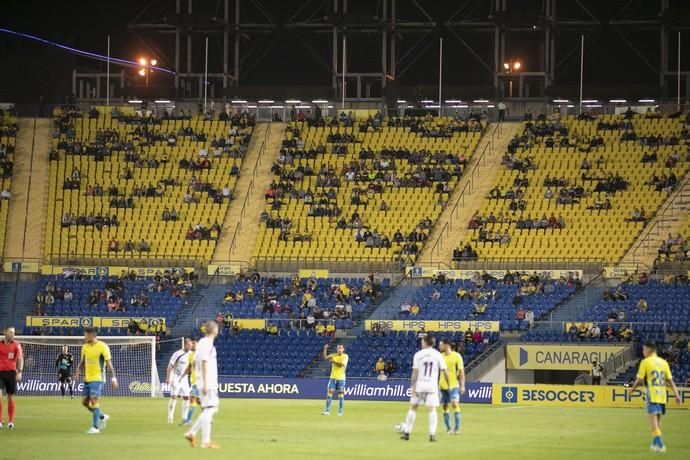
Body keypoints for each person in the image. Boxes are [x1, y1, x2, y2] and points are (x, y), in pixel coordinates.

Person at [629, 342, 682, 453]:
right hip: (662, 396)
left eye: (644, 349)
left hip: (652, 395)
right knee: (658, 422)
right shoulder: (664, 362)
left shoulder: (645, 362)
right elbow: (670, 381)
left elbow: (639, 380)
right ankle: (654, 445)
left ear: (649, 350)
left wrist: (631, 390)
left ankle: (661, 445)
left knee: (653, 424)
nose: (643, 352)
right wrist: (677, 395)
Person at [399, 335, 449, 442]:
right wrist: (448, 385)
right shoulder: (438, 355)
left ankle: (407, 433)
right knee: (432, 409)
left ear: (426, 342)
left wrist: (412, 386)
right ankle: (432, 435)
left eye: (422, 341)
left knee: (413, 408)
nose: (421, 343)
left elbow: (415, 372)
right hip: (432, 387)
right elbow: (445, 371)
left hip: (420, 386)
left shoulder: (418, 355)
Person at [185, 321, 221, 449]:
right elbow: (204, 362)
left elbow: (194, 362)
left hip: (203, 380)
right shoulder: (207, 344)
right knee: (210, 409)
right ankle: (205, 441)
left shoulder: (201, 343)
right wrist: (205, 382)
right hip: (208, 382)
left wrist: (198, 378)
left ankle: (192, 433)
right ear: (215, 330)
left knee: (211, 408)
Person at [78, 327, 118, 434]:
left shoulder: (102, 346)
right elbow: (83, 361)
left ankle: (95, 428)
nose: (84, 337)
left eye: (86, 335)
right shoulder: (85, 347)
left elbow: (109, 364)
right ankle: (101, 416)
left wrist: (113, 378)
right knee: (85, 403)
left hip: (98, 378)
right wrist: (78, 370)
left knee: (94, 400)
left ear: (92, 335)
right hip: (87, 378)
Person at [439, 339, 465, 435]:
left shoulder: (457, 356)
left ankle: (457, 428)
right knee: (445, 406)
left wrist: (462, 385)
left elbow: (461, 372)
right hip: (442, 385)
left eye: (441, 345)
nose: (439, 347)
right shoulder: (440, 357)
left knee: (454, 403)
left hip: (454, 385)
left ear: (446, 345)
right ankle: (448, 428)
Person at [0, 326, 23, 429]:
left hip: (11, 373)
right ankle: (0, 420)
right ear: (5, 332)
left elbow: (20, 359)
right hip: (0, 373)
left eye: (13, 333)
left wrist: (20, 372)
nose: (12, 334)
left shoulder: (16, 345)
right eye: (10, 332)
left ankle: (10, 421)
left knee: (10, 397)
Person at [166, 337, 192, 424]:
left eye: (191, 344)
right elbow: (170, 365)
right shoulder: (178, 353)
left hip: (184, 379)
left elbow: (191, 366)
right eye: (189, 344)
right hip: (176, 378)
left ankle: (184, 418)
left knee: (186, 398)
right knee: (174, 397)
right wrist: (168, 377)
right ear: (185, 344)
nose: (190, 346)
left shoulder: (191, 354)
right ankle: (170, 417)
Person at [322, 343, 348, 416]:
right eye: (338, 348)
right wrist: (325, 349)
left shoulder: (345, 356)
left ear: (343, 349)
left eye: (340, 348)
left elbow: (340, 365)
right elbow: (325, 358)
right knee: (329, 394)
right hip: (333, 377)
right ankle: (327, 411)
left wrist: (333, 361)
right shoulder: (333, 355)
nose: (339, 349)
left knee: (341, 395)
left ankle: (340, 411)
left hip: (341, 378)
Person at [181, 339, 199, 425]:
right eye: (192, 343)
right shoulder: (191, 355)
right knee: (196, 401)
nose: (193, 345)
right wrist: (182, 376)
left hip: (199, 382)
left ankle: (187, 420)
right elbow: (189, 367)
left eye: (194, 343)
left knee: (194, 401)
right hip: (193, 382)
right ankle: (187, 419)